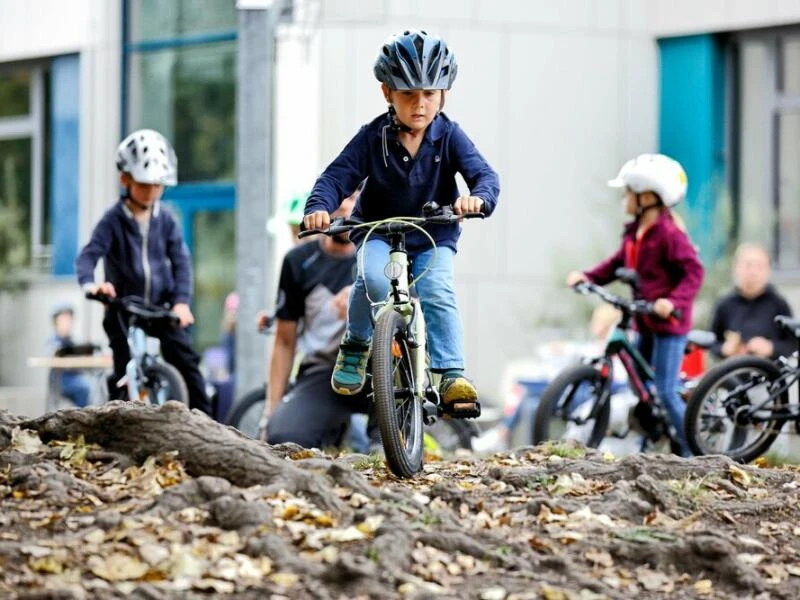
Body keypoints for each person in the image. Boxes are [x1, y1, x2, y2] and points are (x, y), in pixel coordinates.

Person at [303, 30, 500, 417]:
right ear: (387, 93)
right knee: (372, 280)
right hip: (378, 228)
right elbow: (335, 178)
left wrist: (478, 198)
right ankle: (357, 345)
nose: (420, 104)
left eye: (429, 93)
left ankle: (450, 375)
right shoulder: (371, 138)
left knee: (437, 289)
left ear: (444, 94)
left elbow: (485, 176)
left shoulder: (450, 136)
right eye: (408, 93)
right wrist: (319, 207)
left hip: (432, 234)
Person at [566, 153, 704, 456]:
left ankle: (696, 452)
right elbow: (616, 264)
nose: (625, 198)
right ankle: (654, 429)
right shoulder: (634, 232)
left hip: (669, 323)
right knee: (639, 386)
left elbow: (694, 272)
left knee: (666, 391)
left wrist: (672, 301)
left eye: (629, 192)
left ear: (648, 197)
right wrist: (587, 277)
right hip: (643, 318)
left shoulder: (669, 234)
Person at [75, 129, 212, 415]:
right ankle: (118, 418)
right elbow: (89, 256)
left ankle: (210, 424)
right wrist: (92, 286)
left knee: (187, 362)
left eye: (157, 186)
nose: (151, 193)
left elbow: (181, 262)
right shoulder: (112, 220)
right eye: (144, 184)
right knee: (123, 364)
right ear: (125, 179)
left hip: (160, 306)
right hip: (124, 306)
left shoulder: (167, 220)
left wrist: (181, 301)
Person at [259, 193, 367, 448]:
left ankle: (382, 437)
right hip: (323, 373)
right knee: (283, 438)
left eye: (352, 197)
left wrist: (360, 292)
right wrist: (270, 412)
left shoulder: (382, 253)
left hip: (379, 372)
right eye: (337, 196)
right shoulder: (298, 261)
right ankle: (329, 431)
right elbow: (284, 342)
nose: (344, 206)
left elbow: (411, 314)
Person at [709, 242, 794, 359]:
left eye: (759, 266)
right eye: (748, 265)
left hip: (771, 372)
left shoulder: (779, 304)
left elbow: (793, 343)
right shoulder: (724, 304)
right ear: (736, 268)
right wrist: (725, 349)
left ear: (768, 270)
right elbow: (712, 342)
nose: (753, 272)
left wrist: (771, 347)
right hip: (733, 372)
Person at [46, 303, 94, 408]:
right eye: (63, 319)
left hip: (77, 376)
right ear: (56, 321)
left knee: (95, 383)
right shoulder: (53, 341)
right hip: (61, 380)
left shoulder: (73, 340)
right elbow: (53, 356)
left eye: (68, 319)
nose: (67, 322)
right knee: (85, 386)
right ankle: (83, 414)